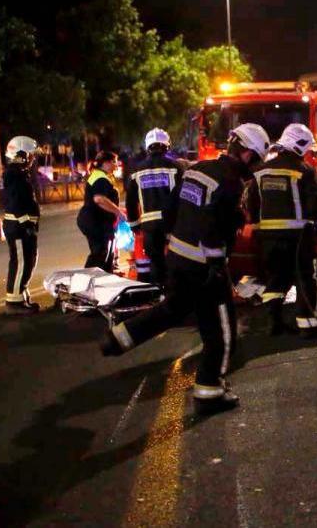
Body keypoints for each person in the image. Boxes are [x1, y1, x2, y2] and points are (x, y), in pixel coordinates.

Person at [102, 123, 270, 417]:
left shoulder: (196, 169)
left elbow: (170, 211)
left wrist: (172, 241)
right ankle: (210, 391)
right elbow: (215, 228)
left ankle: (119, 337)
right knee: (222, 329)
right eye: (255, 160)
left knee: (173, 308)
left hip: (178, 258)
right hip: (204, 266)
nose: (254, 168)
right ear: (245, 154)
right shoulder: (231, 183)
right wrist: (217, 267)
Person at [245, 124, 317, 337]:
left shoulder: (260, 171)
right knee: (304, 278)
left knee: (275, 280)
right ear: (299, 146)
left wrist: (256, 225)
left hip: (268, 237)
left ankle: (273, 323)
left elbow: (250, 203)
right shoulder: (304, 171)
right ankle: (307, 327)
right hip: (298, 236)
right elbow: (315, 203)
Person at [124, 128, 182, 285]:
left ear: (147, 146)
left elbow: (130, 201)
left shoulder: (137, 170)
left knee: (156, 263)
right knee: (176, 261)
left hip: (149, 226)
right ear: (166, 146)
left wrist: (135, 226)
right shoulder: (175, 167)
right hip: (172, 224)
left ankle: (159, 297)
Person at [0, 136, 42, 314]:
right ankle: (14, 303)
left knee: (28, 260)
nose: (32, 159)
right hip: (18, 226)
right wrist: (26, 223)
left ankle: (21, 295)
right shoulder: (13, 174)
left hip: (21, 225)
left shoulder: (17, 172)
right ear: (21, 155)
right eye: (30, 155)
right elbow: (14, 202)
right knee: (21, 262)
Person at [77, 151, 125, 272]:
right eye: (114, 162)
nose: (116, 165)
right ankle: (85, 282)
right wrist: (118, 212)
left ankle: (103, 281)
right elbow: (99, 199)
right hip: (95, 222)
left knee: (105, 254)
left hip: (97, 221)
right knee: (100, 254)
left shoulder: (100, 175)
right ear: (106, 163)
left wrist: (117, 210)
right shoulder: (100, 178)